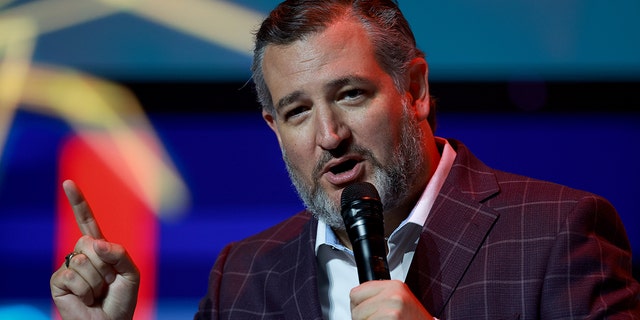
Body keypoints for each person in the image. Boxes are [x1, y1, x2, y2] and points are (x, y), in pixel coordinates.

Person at [50, 0, 640, 319]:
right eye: (297, 112)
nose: (329, 135)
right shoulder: (245, 276)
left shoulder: (559, 232)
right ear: (273, 128)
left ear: (415, 89)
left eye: (351, 95)